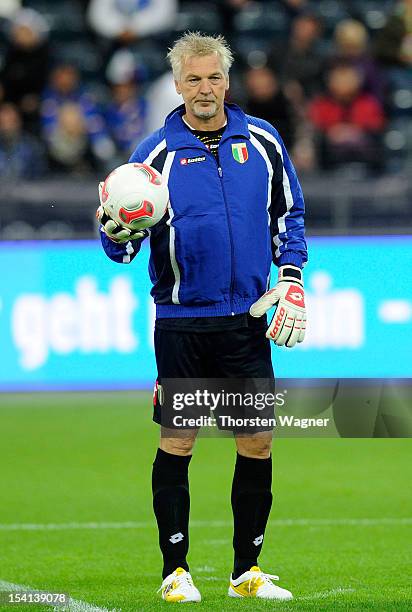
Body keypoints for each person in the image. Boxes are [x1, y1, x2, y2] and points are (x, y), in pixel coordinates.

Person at [98, 32, 307, 603]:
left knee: (258, 443)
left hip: (246, 322)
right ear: (177, 84)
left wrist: (291, 278)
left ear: (227, 80)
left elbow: (290, 215)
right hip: (183, 323)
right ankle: (176, 571)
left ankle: (247, 572)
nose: (205, 88)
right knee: (179, 440)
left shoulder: (262, 141)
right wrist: (117, 230)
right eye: (194, 79)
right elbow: (118, 249)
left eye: (213, 77)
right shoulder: (151, 159)